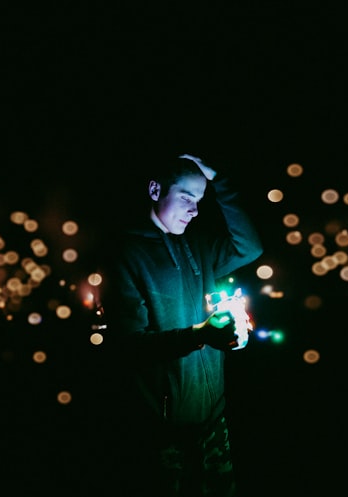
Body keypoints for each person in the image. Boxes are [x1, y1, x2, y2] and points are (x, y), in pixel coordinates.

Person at [95, 153, 263, 496]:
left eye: (199, 200)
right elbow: (129, 346)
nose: (194, 209)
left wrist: (221, 181)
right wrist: (200, 335)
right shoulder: (126, 253)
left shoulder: (196, 243)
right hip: (163, 431)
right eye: (186, 197)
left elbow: (250, 246)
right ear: (155, 190)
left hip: (213, 420)